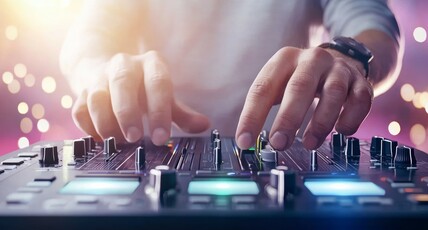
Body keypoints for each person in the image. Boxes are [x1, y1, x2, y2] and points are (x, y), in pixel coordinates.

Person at [60, 0, 402, 151]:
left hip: (280, 153)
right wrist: (99, 72)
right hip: (151, 148)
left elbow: (374, 26)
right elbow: (89, 36)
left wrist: (349, 57)